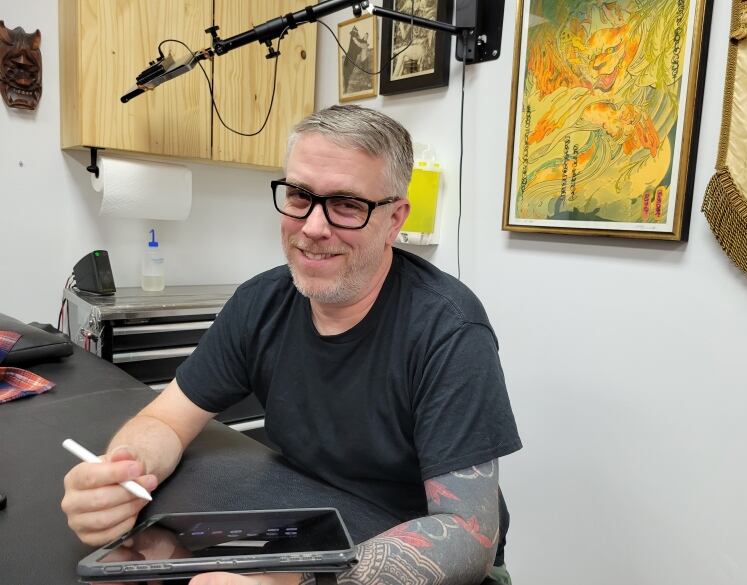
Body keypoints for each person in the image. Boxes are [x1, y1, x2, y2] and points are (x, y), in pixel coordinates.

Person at [61, 105, 522, 585]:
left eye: (346, 204)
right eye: (300, 196)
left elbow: (469, 535)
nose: (314, 227)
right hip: (309, 531)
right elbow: (165, 419)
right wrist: (123, 477)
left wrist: (301, 583)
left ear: (394, 219)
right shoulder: (261, 303)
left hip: (418, 555)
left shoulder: (448, 330)